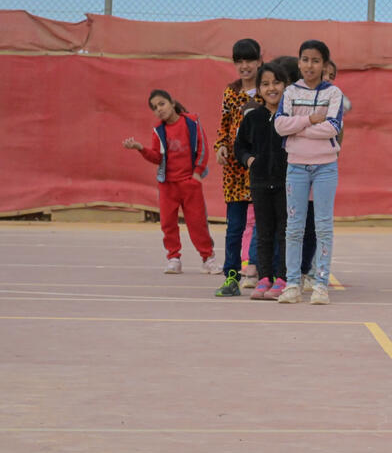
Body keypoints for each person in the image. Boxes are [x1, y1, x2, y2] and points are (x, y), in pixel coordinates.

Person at [274, 40, 345, 305]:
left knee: (323, 226)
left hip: (325, 167)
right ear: (299, 62)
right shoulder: (290, 92)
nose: (309, 65)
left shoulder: (334, 93)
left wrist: (298, 128)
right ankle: (293, 284)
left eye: (315, 61)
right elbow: (280, 125)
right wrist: (309, 120)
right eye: (305, 59)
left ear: (325, 65)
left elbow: (333, 127)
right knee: (294, 226)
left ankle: (321, 285)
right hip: (296, 167)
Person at [123, 90, 220, 275]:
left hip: (190, 184)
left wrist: (197, 173)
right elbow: (156, 157)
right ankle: (174, 258)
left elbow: (202, 148)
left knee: (197, 223)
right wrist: (140, 148)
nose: (159, 109)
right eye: (154, 107)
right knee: (168, 223)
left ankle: (208, 258)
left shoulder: (191, 122)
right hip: (168, 185)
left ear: (172, 103)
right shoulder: (158, 131)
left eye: (162, 104)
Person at [234, 62, 290, 300]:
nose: (272, 88)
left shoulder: (290, 117)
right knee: (264, 231)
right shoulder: (253, 116)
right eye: (265, 84)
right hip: (259, 183)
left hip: (286, 184)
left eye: (276, 83)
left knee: (284, 232)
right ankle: (264, 277)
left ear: (286, 86)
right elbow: (240, 146)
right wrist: (248, 160)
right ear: (259, 89)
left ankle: (283, 278)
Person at [213, 38, 262, 297]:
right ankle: (231, 276)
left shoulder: (268, 91)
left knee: (262, 223)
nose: (244, 66)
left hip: (260, 168)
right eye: (239, 61)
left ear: (259, 62)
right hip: (234, 171)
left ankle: (255, 271)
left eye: (249, 60)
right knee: (235, 226)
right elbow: (223, 125)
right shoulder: (230, 92)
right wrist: (220, 146)